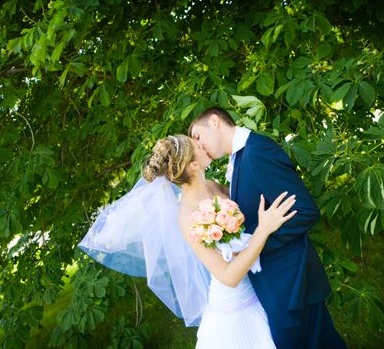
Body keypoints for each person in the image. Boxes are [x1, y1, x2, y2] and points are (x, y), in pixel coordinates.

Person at [79, 134, 297, 348]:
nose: (204, 144)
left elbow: (247, 206)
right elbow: (228, 276)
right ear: (193, 165)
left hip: (259, 283)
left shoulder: (212, 186)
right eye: (198, 146)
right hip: (236, 304)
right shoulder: (188, 217)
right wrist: (264, 230)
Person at [189, 107, 347, 348]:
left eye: (198, 137)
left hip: (294, 285)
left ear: (214, 121)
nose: (199, 147)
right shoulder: (239, 159)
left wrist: (257, 244)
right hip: (277, 287)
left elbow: (305, 211)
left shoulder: (257, 152)